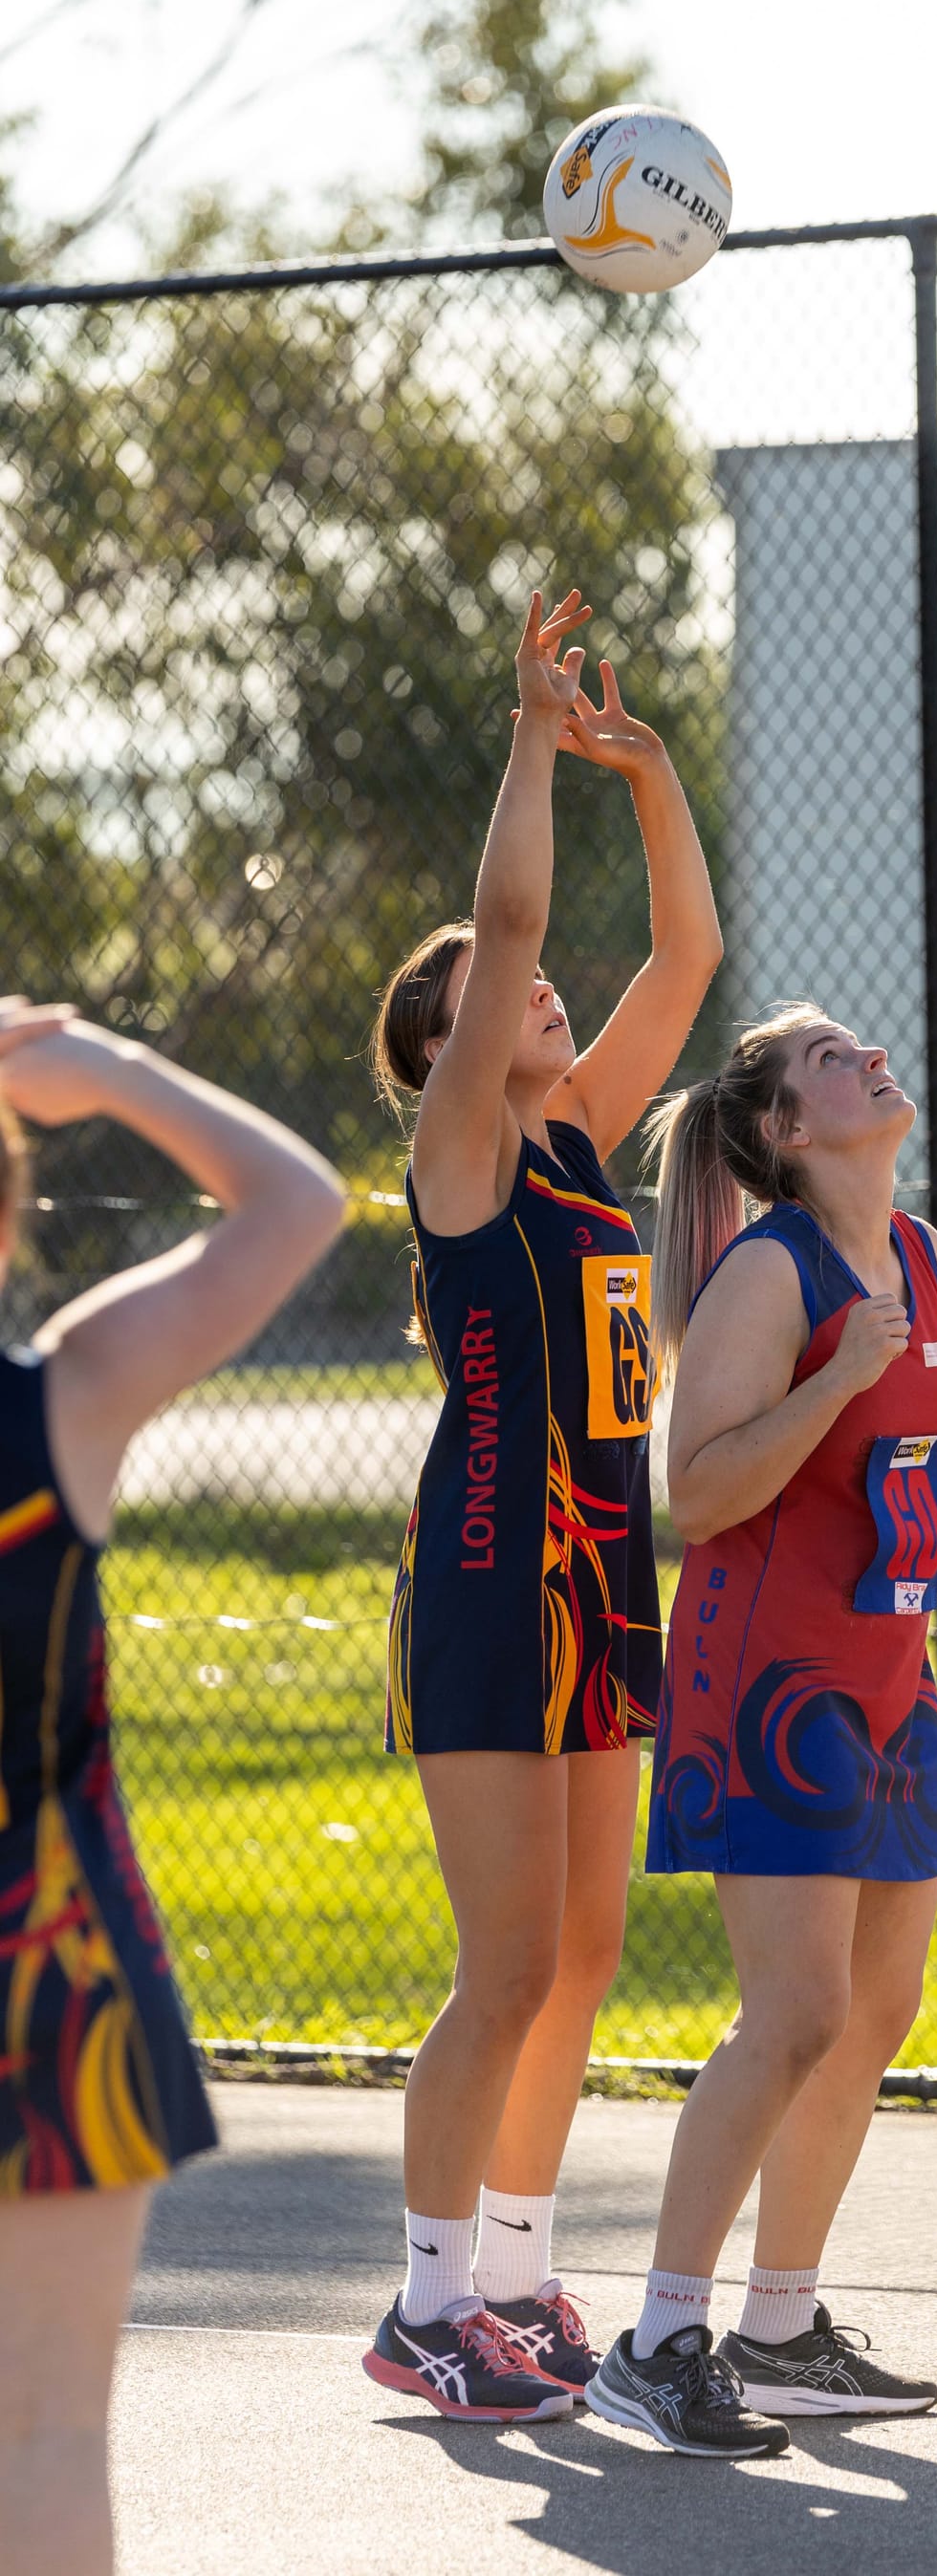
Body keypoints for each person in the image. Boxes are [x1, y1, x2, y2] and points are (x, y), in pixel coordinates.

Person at [583, 1007, 937, 2457]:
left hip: (887, 1688)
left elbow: (927, 1470)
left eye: (866, 1049)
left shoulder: (912, 1257)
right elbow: (704, 1494)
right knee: (791, 2014)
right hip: (768, 1687)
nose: (868, 1061)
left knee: (873, 2015)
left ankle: (780, 2326)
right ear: (787, 1133)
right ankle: (658, 2339)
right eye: (832, 1062)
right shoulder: (765, 1272)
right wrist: (836, 1377)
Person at [362, 587, 721, 2420]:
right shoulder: (466, 1148)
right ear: (438, 1046)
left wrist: (646, 767)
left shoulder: (577, 1131)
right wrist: (524, 732)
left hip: (602, 1573)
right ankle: (421, 2308)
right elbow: (510, 916)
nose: (523, 983)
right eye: (478, 995)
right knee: (502, 1966)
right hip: (497, 1574)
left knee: (585, 1952)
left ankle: (511, 2274)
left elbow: (685, 955)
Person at [0, 1000, 345, 2572]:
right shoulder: (60, 1396)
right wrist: (108, 1074)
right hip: (47, 1971)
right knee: (48, 2434)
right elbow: (299, 1205)